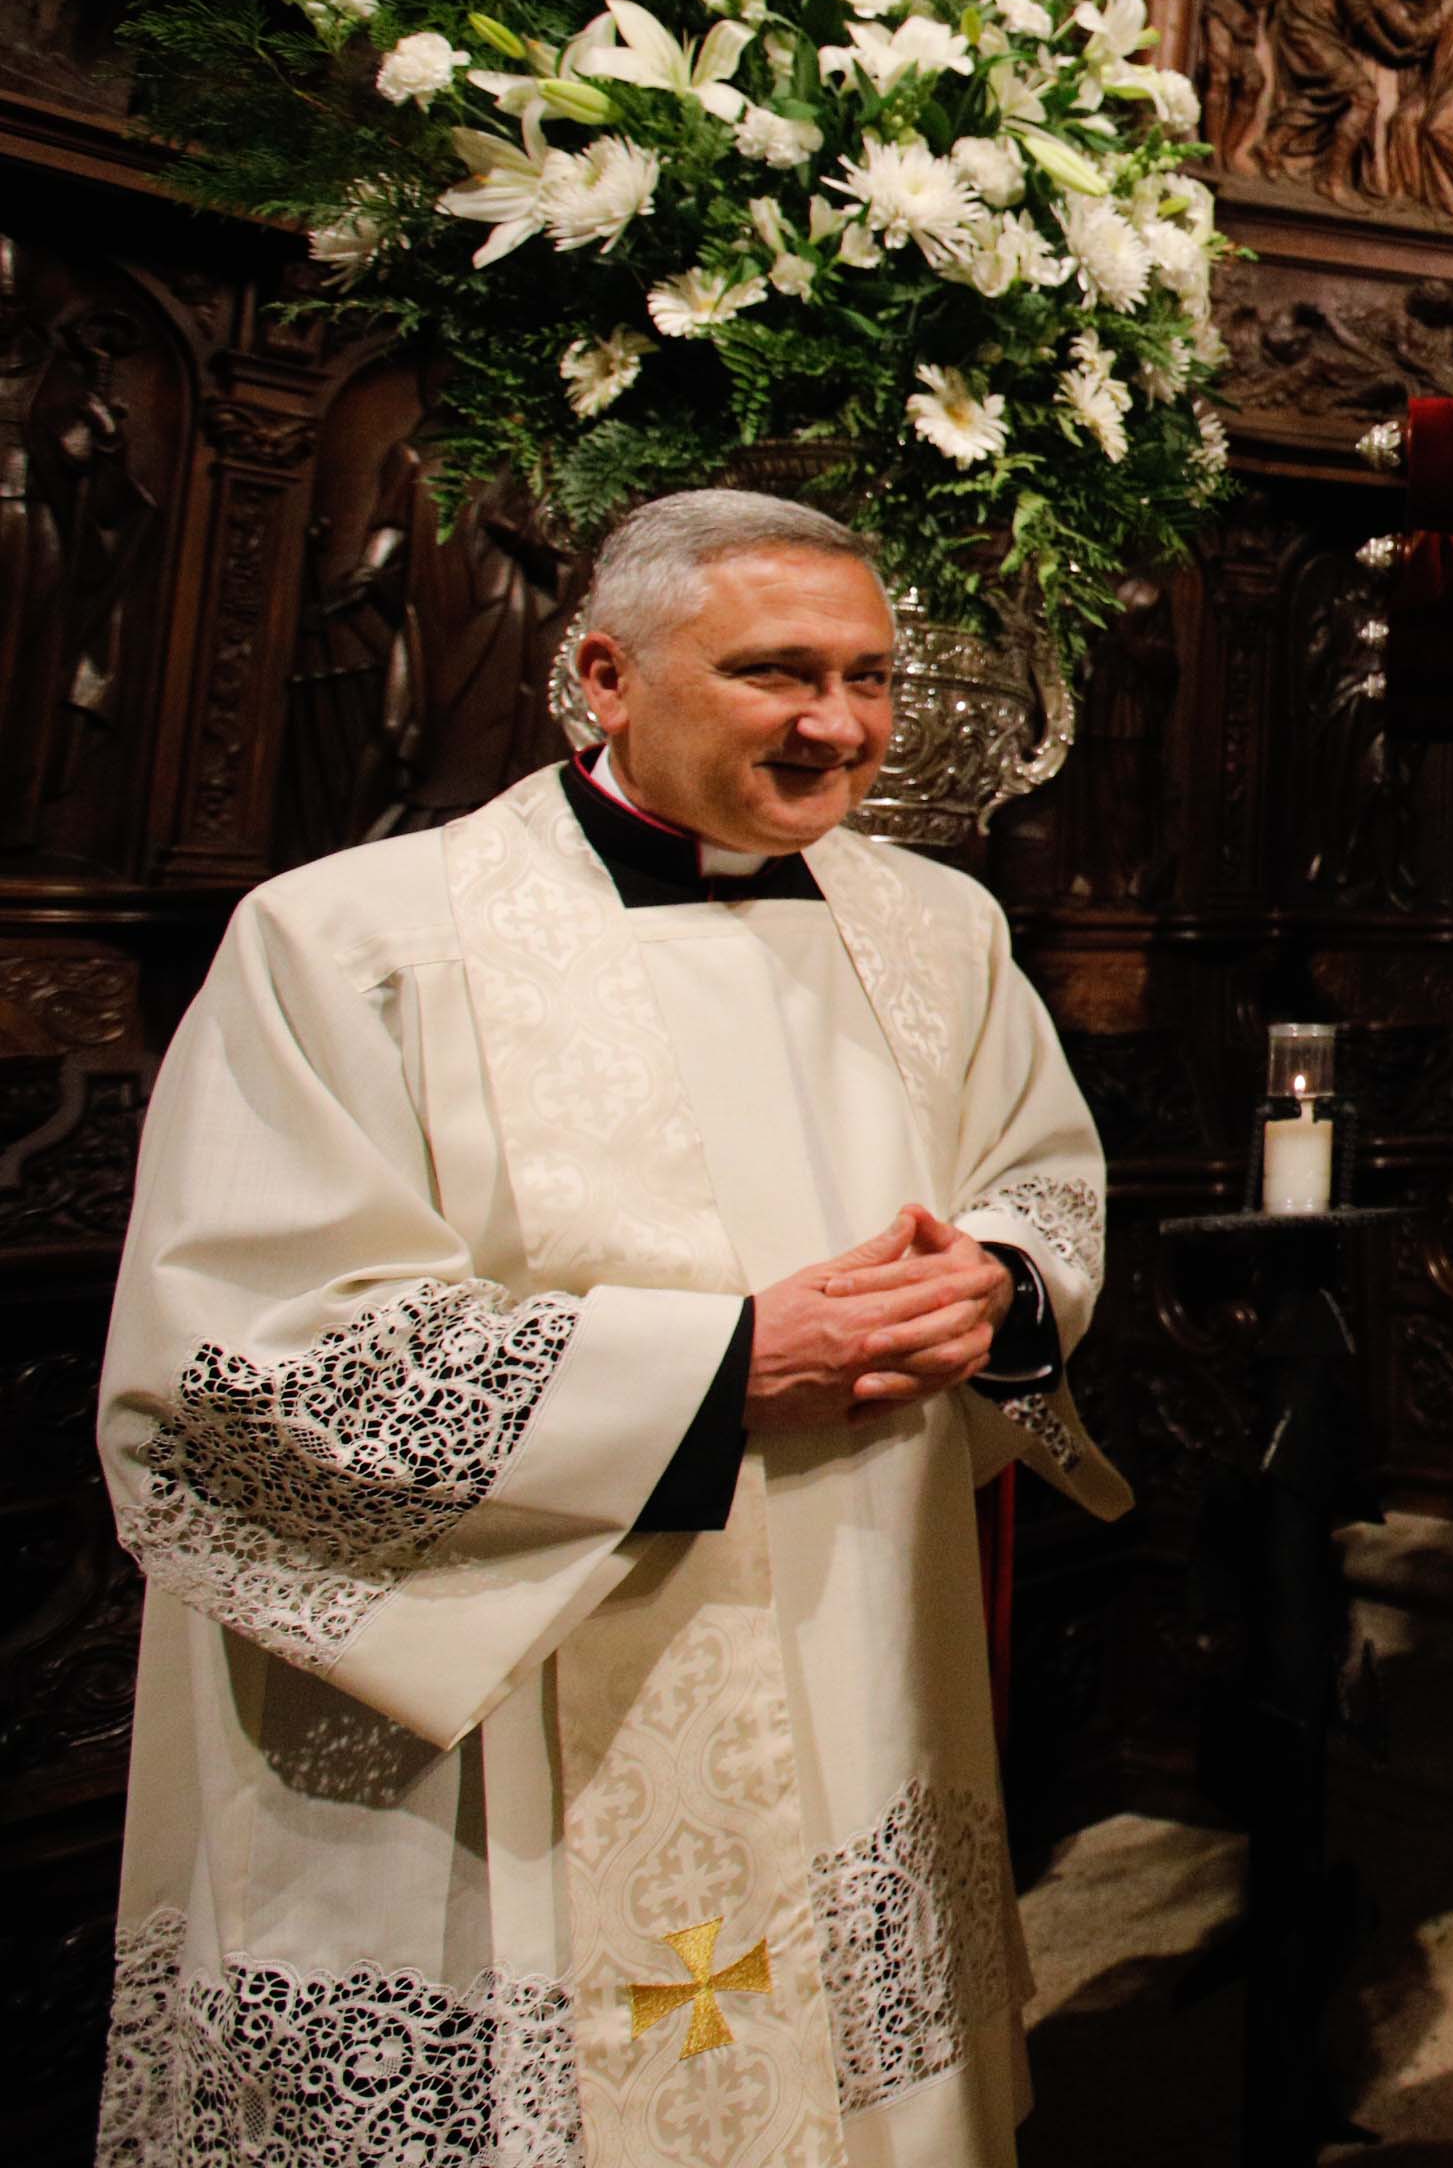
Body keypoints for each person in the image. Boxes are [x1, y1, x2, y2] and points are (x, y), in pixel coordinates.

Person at [92, 489, 1129, 2166]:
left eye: (871, 676)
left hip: (849, 1643)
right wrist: (720, 1375)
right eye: (777, 673)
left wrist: (999, 1285)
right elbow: (243, 1371)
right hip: (505, 1713)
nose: (839, 724)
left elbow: (1036, 1178)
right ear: (606, 676)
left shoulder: (938, 931)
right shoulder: (349, 946)